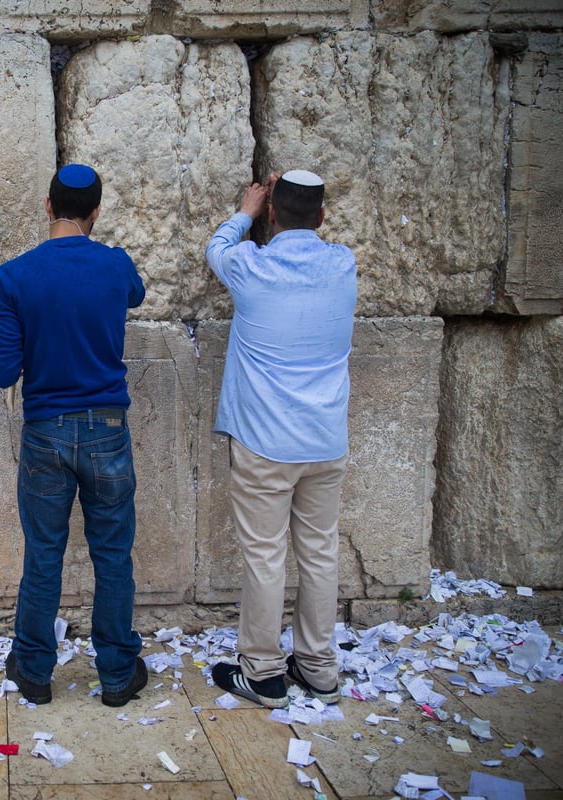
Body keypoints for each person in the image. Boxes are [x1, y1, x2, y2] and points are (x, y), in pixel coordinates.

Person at [0, 164, 148, 707]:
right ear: (97, 212)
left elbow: (2, 373)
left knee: (44, 554)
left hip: (45, 434)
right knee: (113, 554)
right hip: (107, 429)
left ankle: (34, 671)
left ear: (47, 205)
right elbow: (135, 294)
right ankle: (118, 675)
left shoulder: (12, 277)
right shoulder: (115, 266)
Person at [204, 170, 357, 709]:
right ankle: (318, 667)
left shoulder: (250, 266)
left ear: (272, 215)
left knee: (266, 557)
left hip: (265, 443)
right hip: (325, 441)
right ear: (320, 217)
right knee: (319, 553)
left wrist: (247, 208)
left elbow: (217, 246)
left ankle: (264, 672)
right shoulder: (343, 265)